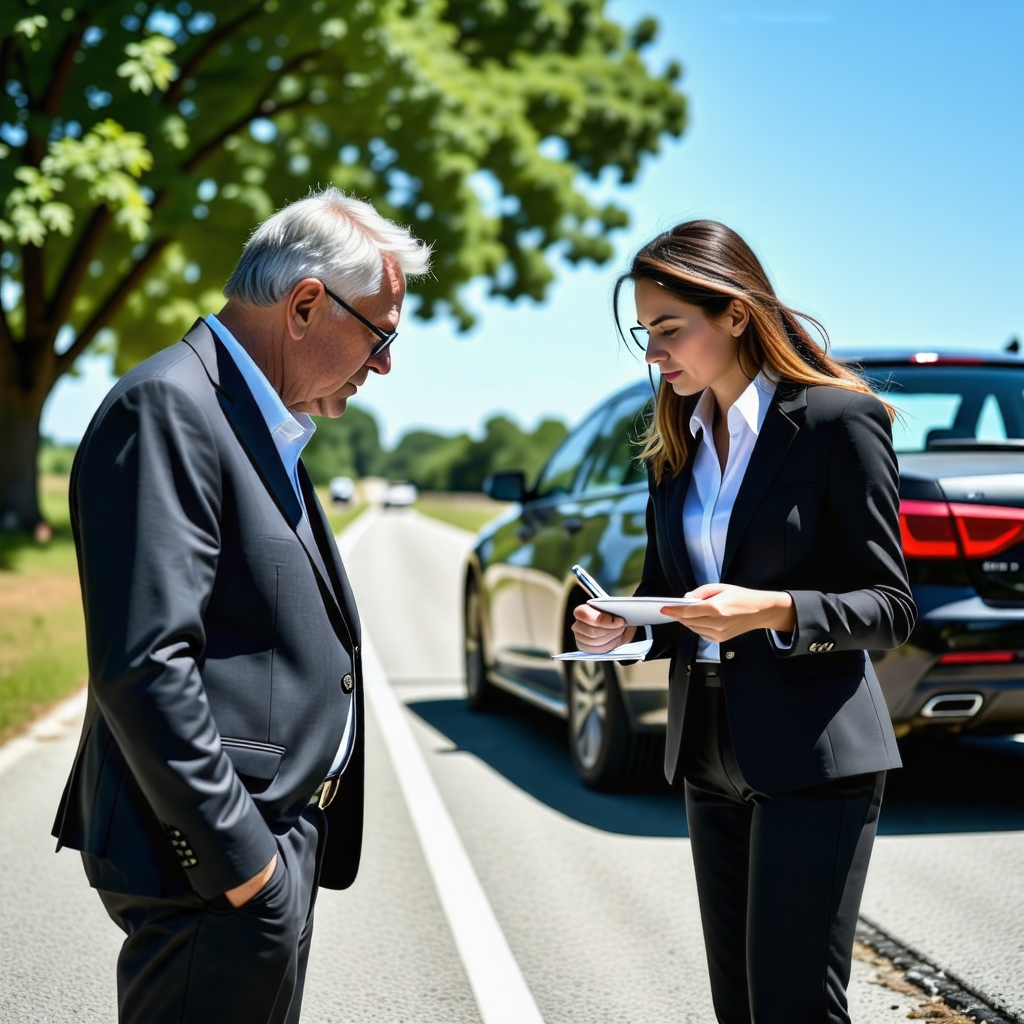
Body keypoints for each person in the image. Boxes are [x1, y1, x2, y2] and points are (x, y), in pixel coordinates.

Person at [52, 188, 431, 1024]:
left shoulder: (258, 419)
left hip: (260, 857)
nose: (385, 365)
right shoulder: (169, 409)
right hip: (216, 871)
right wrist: (244, 869)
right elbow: (145, 666)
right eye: (381, 334)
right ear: (304, 305)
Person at [572, 220, 915, 1024]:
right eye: (643, 333)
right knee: (739, 1008)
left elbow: (889, 608)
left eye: (669, 329)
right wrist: (630, 629)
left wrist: (773, 610)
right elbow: (675, 595)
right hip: (709, 751)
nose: (653, 353)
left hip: (814, 753)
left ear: (733, 314)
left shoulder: (835, 422)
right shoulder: (673, 440)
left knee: (793, 1007)